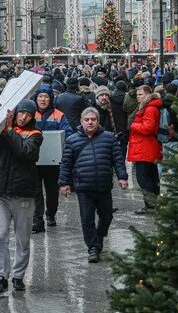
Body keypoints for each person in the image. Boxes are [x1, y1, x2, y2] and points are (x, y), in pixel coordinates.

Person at [58, 108, 128, 263]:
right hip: (83, 187)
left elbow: (118, 159)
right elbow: (66, 163)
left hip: (103, 186)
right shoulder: (72, 140)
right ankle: (93, 248)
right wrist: (64, 183)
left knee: (107, 216)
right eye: (87, 120)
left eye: (93, 119)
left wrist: (122, 176)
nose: (90, 122)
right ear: (82, 122)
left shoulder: (109, 138)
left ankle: (99, 236)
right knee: (87, 219)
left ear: (98, 121)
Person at [0, 99, 43, 294]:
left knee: (22, 239)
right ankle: (1, 276)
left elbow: (24, 151)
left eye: (28, 114)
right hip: (0, 192)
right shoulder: (3, 127)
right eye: (21, 113)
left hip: (24, 195)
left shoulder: (35, 134)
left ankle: (18, 276)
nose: (23, 117)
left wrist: (9, 129)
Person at [32, 87, 73, 234]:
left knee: (52, 192)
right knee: (35, 191)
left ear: (50, 99)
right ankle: (37, 219)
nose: (43, 99)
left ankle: (50, 214)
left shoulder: (59, 115)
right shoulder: (29, 114)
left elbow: (68, 133)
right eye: (40, 96)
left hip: (53, 162)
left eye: (46, 97)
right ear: (36, 99)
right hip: (34, 161)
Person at [128, 85, 163, 214]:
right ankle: (154, 204)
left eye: (140, 94)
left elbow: (148, 128)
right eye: (137, 94)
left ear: (148, 95)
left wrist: (133, 125)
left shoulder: (149, 108)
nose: (138, 97)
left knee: (144, 178)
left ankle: (150, 205)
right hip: (147, 146)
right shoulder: (151, 107)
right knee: (151, 177)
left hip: (144, 147)